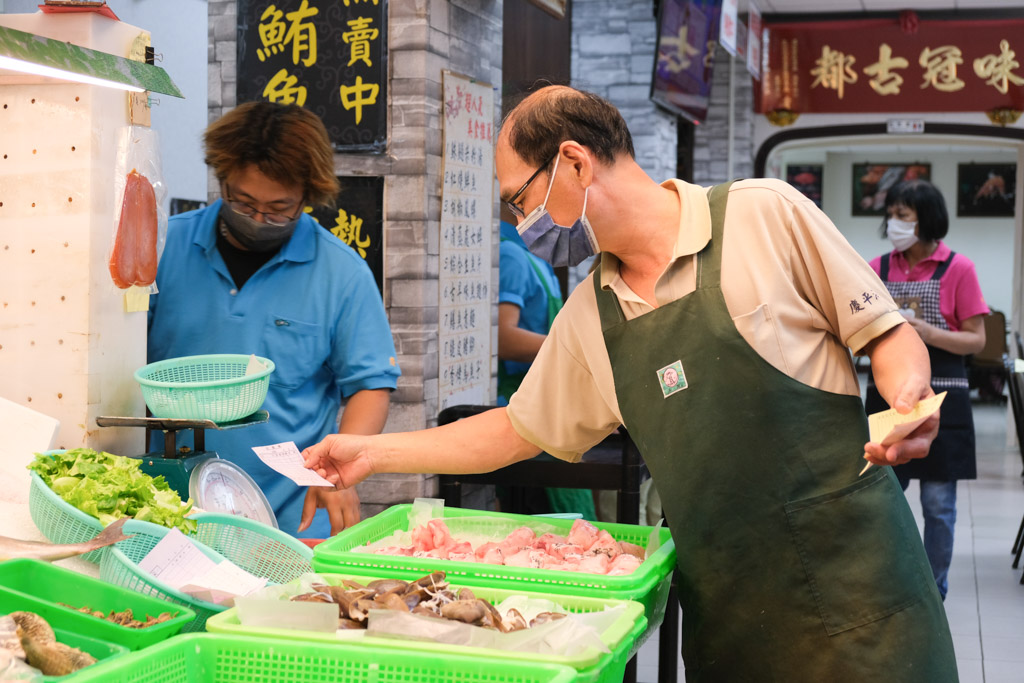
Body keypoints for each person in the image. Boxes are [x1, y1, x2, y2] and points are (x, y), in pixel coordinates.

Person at [303, 86, 956, 680]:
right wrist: (374, 451)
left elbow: (886, 334)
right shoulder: (591, 312)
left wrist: (907, 401)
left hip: (862, 595)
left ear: (574, 162)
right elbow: (513, 428)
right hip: (730, 616)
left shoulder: (763, 215)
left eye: (520, 198)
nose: (520, 220)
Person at [148, 102, 400, 539]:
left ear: (307, 196)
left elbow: (369, 385)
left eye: (279, 209)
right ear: (221, 177)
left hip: (288, 519)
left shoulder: (340, 273)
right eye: (243, 203)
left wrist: (341, 469)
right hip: (164, 510)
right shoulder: (164, 247)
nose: (259, 220)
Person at [865, 179, 988, 601]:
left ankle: (933, 593)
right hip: (888, 398)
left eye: (904, 215)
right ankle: (887, 588)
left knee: (938, 508)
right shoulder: (876, 268)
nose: (894, 223)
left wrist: (926, 334)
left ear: (927, 219)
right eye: (892, 214)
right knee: (883, 501)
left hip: (944, 398)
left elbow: (977, 340)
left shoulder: (959, 268)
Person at [497, 218, 596, 519]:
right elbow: (502, 337)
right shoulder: (511, 256)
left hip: (549, 404)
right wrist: (573, 348)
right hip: (521, 401)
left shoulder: (535, 259)